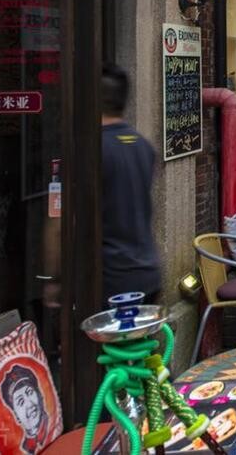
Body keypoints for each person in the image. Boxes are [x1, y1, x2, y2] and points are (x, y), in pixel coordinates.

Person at [101, 62, 161, 304]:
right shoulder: (143, 146)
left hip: (111, 278)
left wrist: (53, 280)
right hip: (148, 273)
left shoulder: (92, 149)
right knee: (139, 342)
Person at [0, 364, 54, 455]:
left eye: (30, 392)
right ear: (16, 415)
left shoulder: (51, 426)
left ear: (39, 394)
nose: (30, 404)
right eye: (21, 401)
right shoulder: (25, 447)